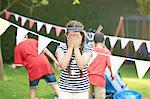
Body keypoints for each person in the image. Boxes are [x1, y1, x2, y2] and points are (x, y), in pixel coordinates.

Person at [12, 35, 60, 99]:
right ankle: (62, 96)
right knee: (54, 84)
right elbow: (45, 50)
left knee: (33, 87)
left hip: (33, 67)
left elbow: (19, 65)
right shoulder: (33, 41)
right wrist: (55, 60)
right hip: (44, 63)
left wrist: (14, 67)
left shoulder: (18, 47)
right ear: (26, 36)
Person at [56, 20, 92, 99]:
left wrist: (76, 48)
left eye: (76, 36)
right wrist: (70, 48)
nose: (73, 38)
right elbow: (63, 66)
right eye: (71, 36)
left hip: (82, 90)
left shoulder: (87, 48)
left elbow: (82, 65)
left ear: (82, 36)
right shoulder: (61, 47)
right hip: (65, 89)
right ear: (66, 35)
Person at [88, 33, 114, 99]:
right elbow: (109, 65)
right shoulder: (106, 52)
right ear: (103, 41)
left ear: (94, 41)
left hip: (88, 78)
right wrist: (112, 74)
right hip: (99, 79)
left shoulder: (90, 51)